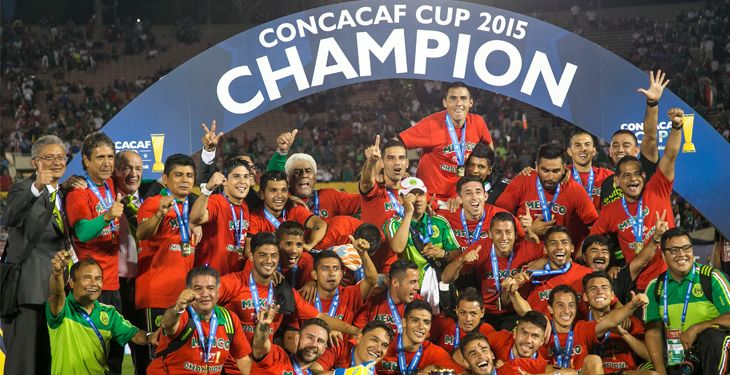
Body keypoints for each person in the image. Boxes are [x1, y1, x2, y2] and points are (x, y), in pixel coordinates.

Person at [216, 233, 358, 358]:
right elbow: (203, 299)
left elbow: (320, 317)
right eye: (263, 255)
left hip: (263, 361)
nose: (269, 261)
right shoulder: (233, 283)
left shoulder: (284, 291)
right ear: (252, 257)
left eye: (274, 256)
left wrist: (357, 331)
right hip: (233, 363)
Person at [590, 108, 684, 291]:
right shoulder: (611, 209)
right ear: (617, 181)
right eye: (626, 175)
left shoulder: (657, 188)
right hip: (639, 285)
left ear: (643, 175)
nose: (632, 179)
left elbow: (670, 154)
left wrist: (677, 126)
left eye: (636, 174)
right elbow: (592, 242)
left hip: (673, 277)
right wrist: (609, 266)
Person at [1, 135, 71, 375]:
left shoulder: (63, 193)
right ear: (34, 163)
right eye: (49, 157)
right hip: (28, 294)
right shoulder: (23, 188)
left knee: (48, 362)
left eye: (61, 157)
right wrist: (37, 186)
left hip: (56, 293)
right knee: (23, 364)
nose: (57, 162)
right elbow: (9, 217)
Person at [65, 131, 126, 373]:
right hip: (89, 285)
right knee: (91, 355)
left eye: (110, 156)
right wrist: (107, 216)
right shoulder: (78, 192)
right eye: (99, 157)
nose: (106, 163)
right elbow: (82, 232)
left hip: (112, 284)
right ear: (86, 161)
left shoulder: (111, 183)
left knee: (114, 355)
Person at [47, 251, 153, 375]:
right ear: (72, 282)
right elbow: (57, 294)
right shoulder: (63, 308)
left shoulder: (109, 313)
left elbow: (134, 334)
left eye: (98, 279)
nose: (94, 284)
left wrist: (150, 337)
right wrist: (57, 273)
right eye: (87, 278)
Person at [135, 154, 200, 352]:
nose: (184, 180)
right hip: (156, 296)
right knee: (155, 359)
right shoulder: (153, 203)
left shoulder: (195, 208)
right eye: (178, 175)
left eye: (189, 175)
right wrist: (159, 215)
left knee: (179, 361)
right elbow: (142, 233)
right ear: (165, 179)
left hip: (184, 297)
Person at [644, 228, 730, 375]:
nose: (682, 254)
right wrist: (660, 370)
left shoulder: (711, 278)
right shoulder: (655, 287)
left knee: (711, 338)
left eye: (686, 248)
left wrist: (696, 329)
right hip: (678, 358)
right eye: (674, 250)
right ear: (663, 255)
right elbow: (653, 332)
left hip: (713, 353)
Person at [441, 213, 543, 330]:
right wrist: (461, 260)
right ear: (490, 233)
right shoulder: (481, 248)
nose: (504, 237)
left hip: (513, 311)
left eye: (508, 232)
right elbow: (445, 278)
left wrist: (533, 268)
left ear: (515, 234)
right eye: (498, 232)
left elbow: (552, 258)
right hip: (485, 313)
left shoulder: (526, 249)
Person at [147, 266, 252, 374]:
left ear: (218, 290)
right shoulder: (183, 314)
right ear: (188, 291)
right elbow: (168, 325)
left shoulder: (229, 318)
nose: (205, 294)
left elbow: (243, 360)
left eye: (210, 288)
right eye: (198, 289)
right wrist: (177, 308)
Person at [398, 81, 493, 200]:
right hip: (431, 198)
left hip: (461, 197)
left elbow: (488, 147)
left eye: (463, 98)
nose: (458, 103)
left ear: (471, 102)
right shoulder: (431, 124)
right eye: (453, 98)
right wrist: (400, 167)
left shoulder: (478, 122)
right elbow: (397, 142)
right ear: (445, 102)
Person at [495, 143, 598, 250]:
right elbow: (496, 219)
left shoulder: (574, 189)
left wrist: (582, 251)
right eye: (545, 170)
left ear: (564, 168)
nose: (550, 177)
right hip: (523, 253)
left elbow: (596, 226)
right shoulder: (522, 181)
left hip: (560, 256)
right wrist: (526, 230)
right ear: (536, 167)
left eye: (556, 171)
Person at [534, 285, 648, 373]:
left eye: (571, 305)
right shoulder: (541, 331)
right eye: (560, 305)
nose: (567, 311)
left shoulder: (581, 328)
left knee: (593, 360)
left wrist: (632, 305)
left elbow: (611, 320)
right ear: (550, 309)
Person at [599, 70, 668, 210]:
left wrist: (652, 103)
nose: (620, 150)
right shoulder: (607, 184)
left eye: (626, 145)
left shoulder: (646, 169)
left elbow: (650, 136)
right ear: (610, 151)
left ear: (636, 150)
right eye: (616, 146)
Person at [385, 177, 460, 285]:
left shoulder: (440, 222)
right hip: (409, 289)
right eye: (411, 195)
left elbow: (457, 252)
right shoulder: (394, 223)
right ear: (401, 199)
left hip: (437, 288)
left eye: (421, 194)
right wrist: (409, 212)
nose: (418, 199)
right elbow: (397, 247)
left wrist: (444, 254)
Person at [111, 150, 147, 374]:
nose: (133, 174)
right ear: (116, 171)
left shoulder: (151, 197)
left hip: (141, 285)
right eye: (127, 168)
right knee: (112, 351)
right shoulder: (106, 199)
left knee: (143, 353)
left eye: (138, 169)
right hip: (114, 286)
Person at [507, 226, 593, 316]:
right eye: (553, 243)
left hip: (576, 329)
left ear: (572, 248)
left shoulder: (587, 275)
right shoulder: (528, 274)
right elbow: (506, 303)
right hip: (538, 328)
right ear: (545, 249)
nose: (559, 247)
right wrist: (511, 287)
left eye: (564, 242)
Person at [190, 158, 253, 275]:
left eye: (246, 176)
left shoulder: (244, 207)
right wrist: (208, 189)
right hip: (210, 281)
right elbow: (196, 218)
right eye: (236, 176)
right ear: (225, 181)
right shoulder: (216, 201)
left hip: (233, 280)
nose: (242, 181)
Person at [582, 271, 653, 374]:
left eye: (604, 288)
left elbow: (649, 356)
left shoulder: (629, 321)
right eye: (593, 289)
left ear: (612, 295)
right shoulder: (581, 324)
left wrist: (623, 334)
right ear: (585, 296)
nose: (600, 292)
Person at [247, 170, 328, 252]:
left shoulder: (293, 208)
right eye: (273, 190)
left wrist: (310, 245)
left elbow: (320, 224)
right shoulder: (254, 217)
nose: (279, 196)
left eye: (284, 190)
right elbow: (248, 251)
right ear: (262, 194)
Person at [377, 300, 465, 374]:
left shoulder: (435, 354)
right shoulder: (383, 344)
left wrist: (435, 368)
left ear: (430, 326)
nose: (421, 327)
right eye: (415, 320)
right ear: (403, 322)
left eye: (426, 322)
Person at [437, 176, 522, 249]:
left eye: (478, 192)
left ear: (485, 196)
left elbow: (524, 241)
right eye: (468, 193)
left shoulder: (502, 217)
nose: (474, 197)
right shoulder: (445, 217)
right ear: (459, 198)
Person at [250, 301, 330, 375]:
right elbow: (259, 346)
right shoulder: (277, 357)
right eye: (310, 337)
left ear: (323, 349)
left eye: (320, 341)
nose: (314, 344)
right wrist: (263, 326)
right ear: (297, 338)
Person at [307, 248, 378, 324]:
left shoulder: (350, 294)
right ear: (315, 275)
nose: (332, 273)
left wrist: (363, 253)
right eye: (325, 268)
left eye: (336, 268)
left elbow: (371, 280)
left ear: (341, 274)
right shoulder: (305, 297)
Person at [429, 288, 496, 366]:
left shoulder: (487, 331)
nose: (468, 319)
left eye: (473, 314)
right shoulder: (444, 324)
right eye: (463, 313)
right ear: (457, 311)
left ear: (482, 312)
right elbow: (422, 347)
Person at [353, 259, 420, 335]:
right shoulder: (371, 301)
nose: (417, 287)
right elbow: (358, 335)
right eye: (412, 282)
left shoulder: (418, 303)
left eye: (418, 281)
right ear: (395, 282)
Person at [285, 152, 360, 219]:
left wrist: (370, 166)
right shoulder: (280, 202)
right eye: (297, 172)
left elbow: (365, 199)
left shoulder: (330, 197)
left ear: (315, 178)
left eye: (308, 171)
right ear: (287, 179)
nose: (304, 175)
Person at [485, 311, 557, 374]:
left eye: (535, 336)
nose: (528, 340)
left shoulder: (543, 368)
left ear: (542, 341)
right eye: (524, 333)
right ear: (515, 333)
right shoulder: (500, 339)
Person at [312, 320, 394, 372]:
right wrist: (344, 373)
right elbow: (313, 371)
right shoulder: (339, 346)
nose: (378, 349)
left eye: (384, 345)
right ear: (360, 337)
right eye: (374, 340)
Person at [565, 131, 614, 210]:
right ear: (569, 151)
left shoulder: (607, 176)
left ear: (594, 151)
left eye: (587, 145)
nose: (583, 149)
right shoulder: (561, 175)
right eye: (578, 145)